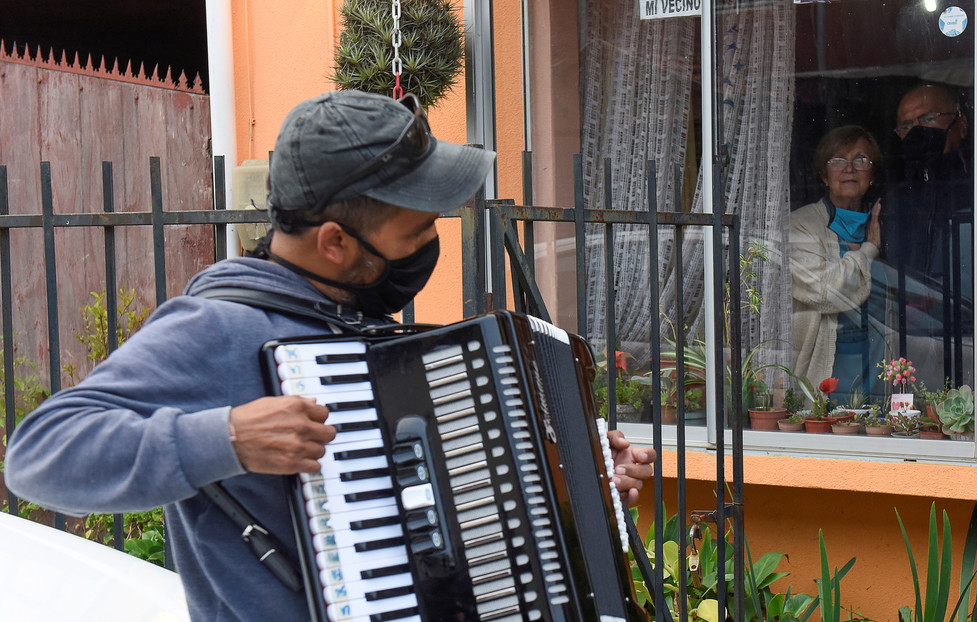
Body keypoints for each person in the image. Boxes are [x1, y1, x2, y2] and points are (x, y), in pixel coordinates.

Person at [6, 90, 657, 621]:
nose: (432, 242)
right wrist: (224, 437)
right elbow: (37, 456)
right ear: (335, 242)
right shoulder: (217, 328)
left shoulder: (360, 325)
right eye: (419, 230)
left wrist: (582, 483)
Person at [881, 83, 973, 388]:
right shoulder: (895, 199)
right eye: (907, 125)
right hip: (911, 338)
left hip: (976, 336)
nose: (917, 131)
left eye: (929, 118)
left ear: (961, 123)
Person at [790, 125, 883, 395]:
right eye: (838, 160)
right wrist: (868, 251)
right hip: (826, 364)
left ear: (872, 175)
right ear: (824, 174)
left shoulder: (885, 222)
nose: (849, 168)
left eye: (861, 160)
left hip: (875, 361)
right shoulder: (800, 226)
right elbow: (826, 290)